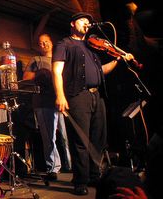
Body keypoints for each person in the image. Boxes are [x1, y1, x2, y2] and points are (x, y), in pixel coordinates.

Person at [52, 12, 134, 195]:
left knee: (98, 139)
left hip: (97, 96)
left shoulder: (91, 47)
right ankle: (80, 181)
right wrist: (60, 95)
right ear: (73, 24)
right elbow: (56, 71)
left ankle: (94, 176)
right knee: (80, 140)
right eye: (83, 21)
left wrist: (118, 59)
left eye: (89, 22)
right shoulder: (64, 44)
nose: (87, 24)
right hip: (77, 95)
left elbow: (101, 71)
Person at [23, 33, 71, 181]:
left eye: (46, 41)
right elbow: (25, 78)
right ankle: (53, 168)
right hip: (43, 103)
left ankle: (71, 165)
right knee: (49, 137)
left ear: (52, 42)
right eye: (40, 43)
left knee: (66, 136)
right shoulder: (35, 60)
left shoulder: (60, 59)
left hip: (62, 102)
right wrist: (41, 74)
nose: (43, 44)